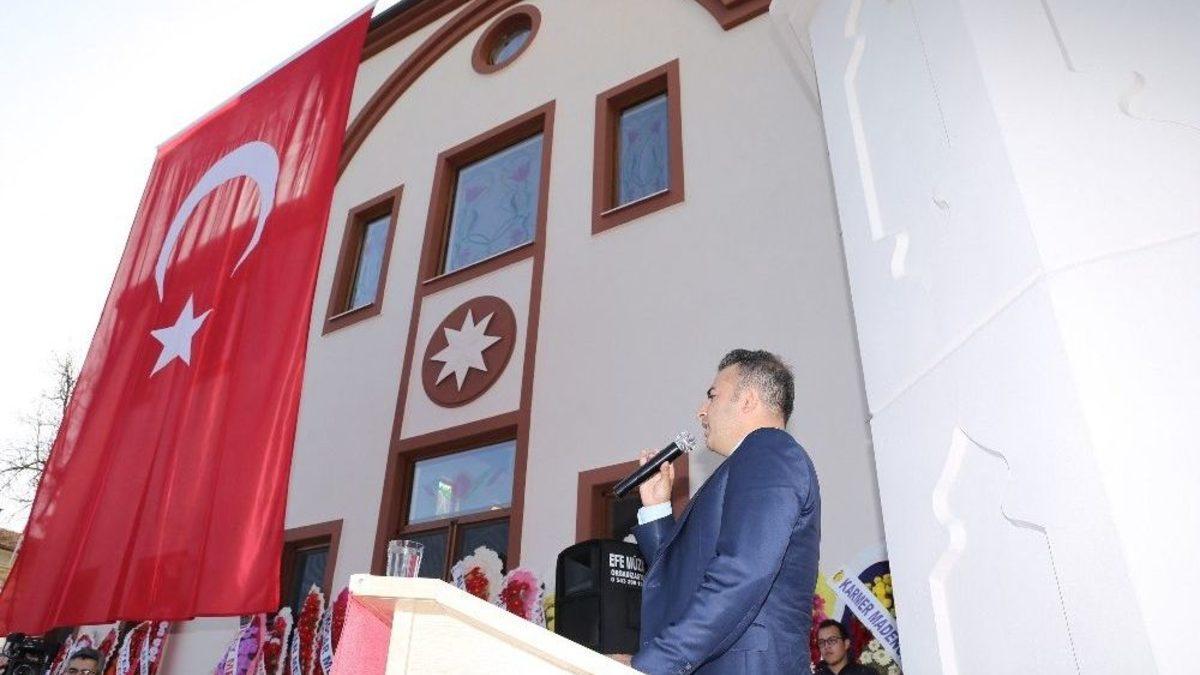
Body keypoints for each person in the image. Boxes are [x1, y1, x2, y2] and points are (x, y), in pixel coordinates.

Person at [629, 349, 821, 674]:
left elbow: (741, 574)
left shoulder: (768, 450)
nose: (702, 411)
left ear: (747, 400)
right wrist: (657, 508)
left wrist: (652, 666)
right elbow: (688, 577)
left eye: (712, 395)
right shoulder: (746, 464)